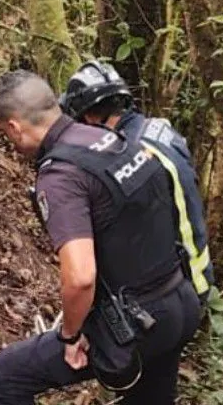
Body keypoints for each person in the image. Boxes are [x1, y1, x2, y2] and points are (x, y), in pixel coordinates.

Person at [0, 71, 201, 405]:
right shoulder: (114, 142)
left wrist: (71, 335)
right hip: (179, 302)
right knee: (150, 402)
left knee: (4, 378)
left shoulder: (61, 175)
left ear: (14, 128)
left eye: (7, 135)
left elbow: (79, 276)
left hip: (131, 325)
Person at [60, 60, 214, 300]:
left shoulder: (132, 152)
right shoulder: (155, 128)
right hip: (196, 265)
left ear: (90, 115)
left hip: (183, 279)